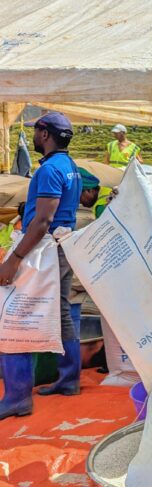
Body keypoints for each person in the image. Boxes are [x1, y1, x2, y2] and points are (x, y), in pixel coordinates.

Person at [0, 113, 83, 420]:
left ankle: (17, 397)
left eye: (36, 131)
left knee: (14, 317)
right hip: (61, 246)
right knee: (61, 312)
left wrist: (14, 259)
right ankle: (69, 379)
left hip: (42, 250)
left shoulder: (49, 169)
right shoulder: (69, 165)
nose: (34, 136)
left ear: (45, 134)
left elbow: (43, 221)